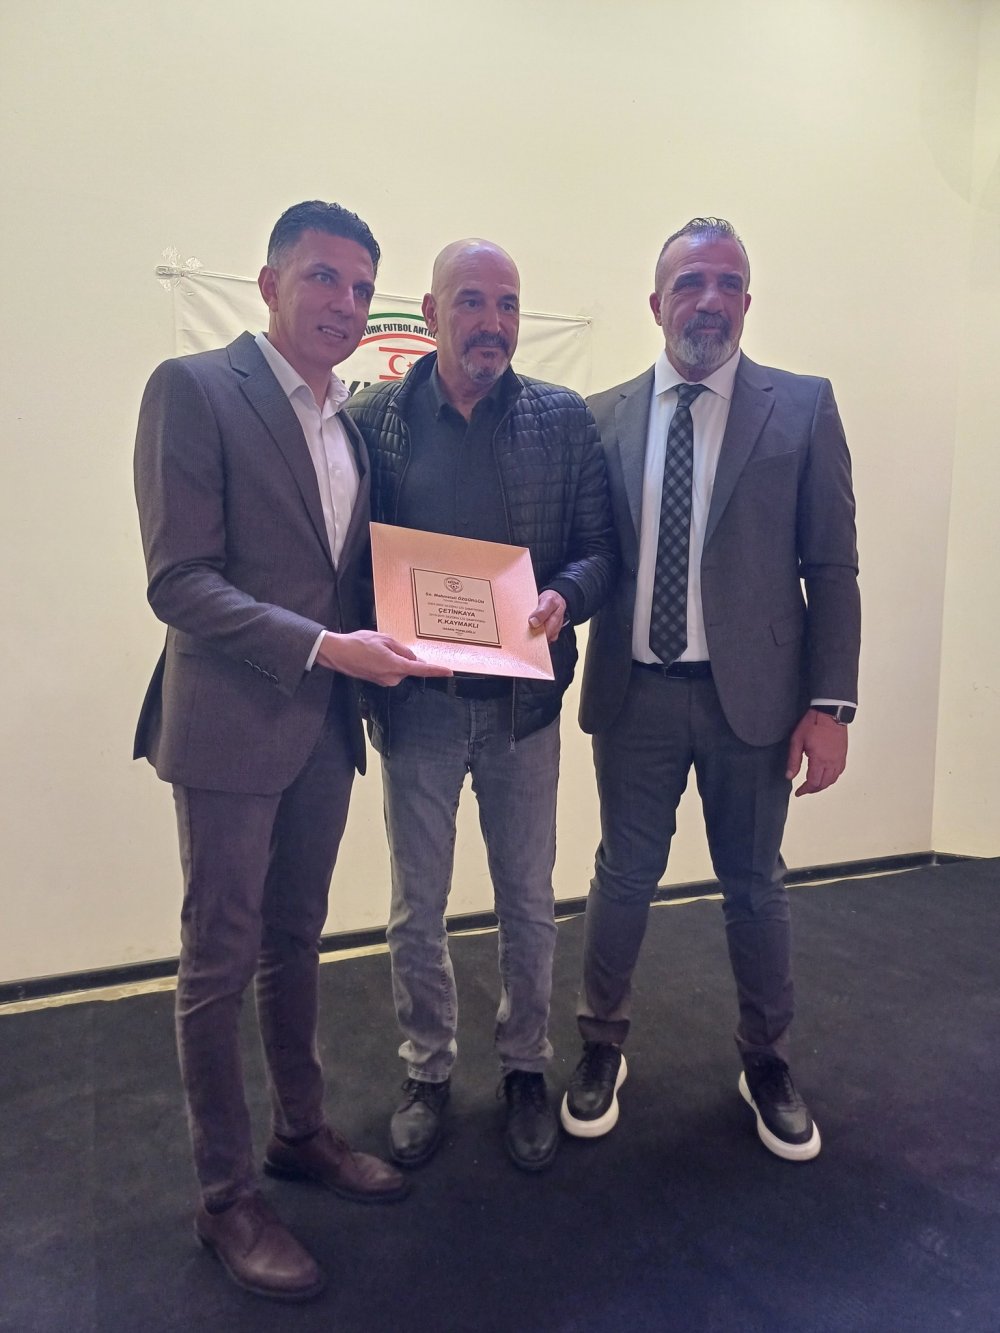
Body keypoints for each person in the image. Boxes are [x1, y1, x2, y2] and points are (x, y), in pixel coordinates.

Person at [133, 200, 450, 1302]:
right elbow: (178, 580)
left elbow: (342, 579)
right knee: (217, 959)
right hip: (228, 726)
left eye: (362, 289)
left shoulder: (349, 424)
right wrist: (325, 647)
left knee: (296, 941)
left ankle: (299, 1131)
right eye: (324, 278)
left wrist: (437, 636)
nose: (346, 304)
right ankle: (225, 1197)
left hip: (321, 726)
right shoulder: (194, 390)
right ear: (269, 284)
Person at [561, 217, 860, 1162]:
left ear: (747, 301)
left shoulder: (801, 407)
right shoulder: (600, 415)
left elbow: (832, 566)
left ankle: (766, 1059)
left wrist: (831, 705)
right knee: (622, 876)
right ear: (657, 303)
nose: (710, 300)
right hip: (635, 696)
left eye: (729, 283)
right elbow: (582, 555)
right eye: (691, 283)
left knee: (755, 885)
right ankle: (601, 1044)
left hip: (758, 703)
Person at [346, 239, 617, 1173]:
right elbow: (349, 557)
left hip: (520, 713)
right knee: (416, 907)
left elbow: (597, 549)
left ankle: (524, 1067)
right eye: (471, 301)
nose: (492, 322)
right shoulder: (373, 419)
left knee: (528, 902)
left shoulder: (562, 420)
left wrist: (564, 597)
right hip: (417, 708)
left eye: (507, 304)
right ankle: (426, 1069)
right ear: (429, 313)